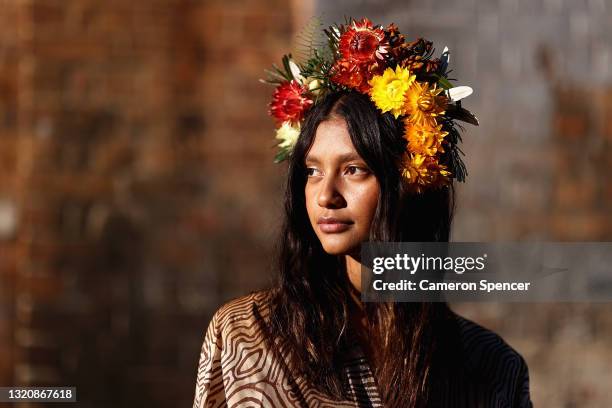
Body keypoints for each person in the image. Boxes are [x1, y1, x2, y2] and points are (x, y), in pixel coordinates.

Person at [193, 18, 533, 408]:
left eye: (354, 169)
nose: (326, 195)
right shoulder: (248, 333)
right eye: (313, 171)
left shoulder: (490, 366)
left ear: (407, 181)